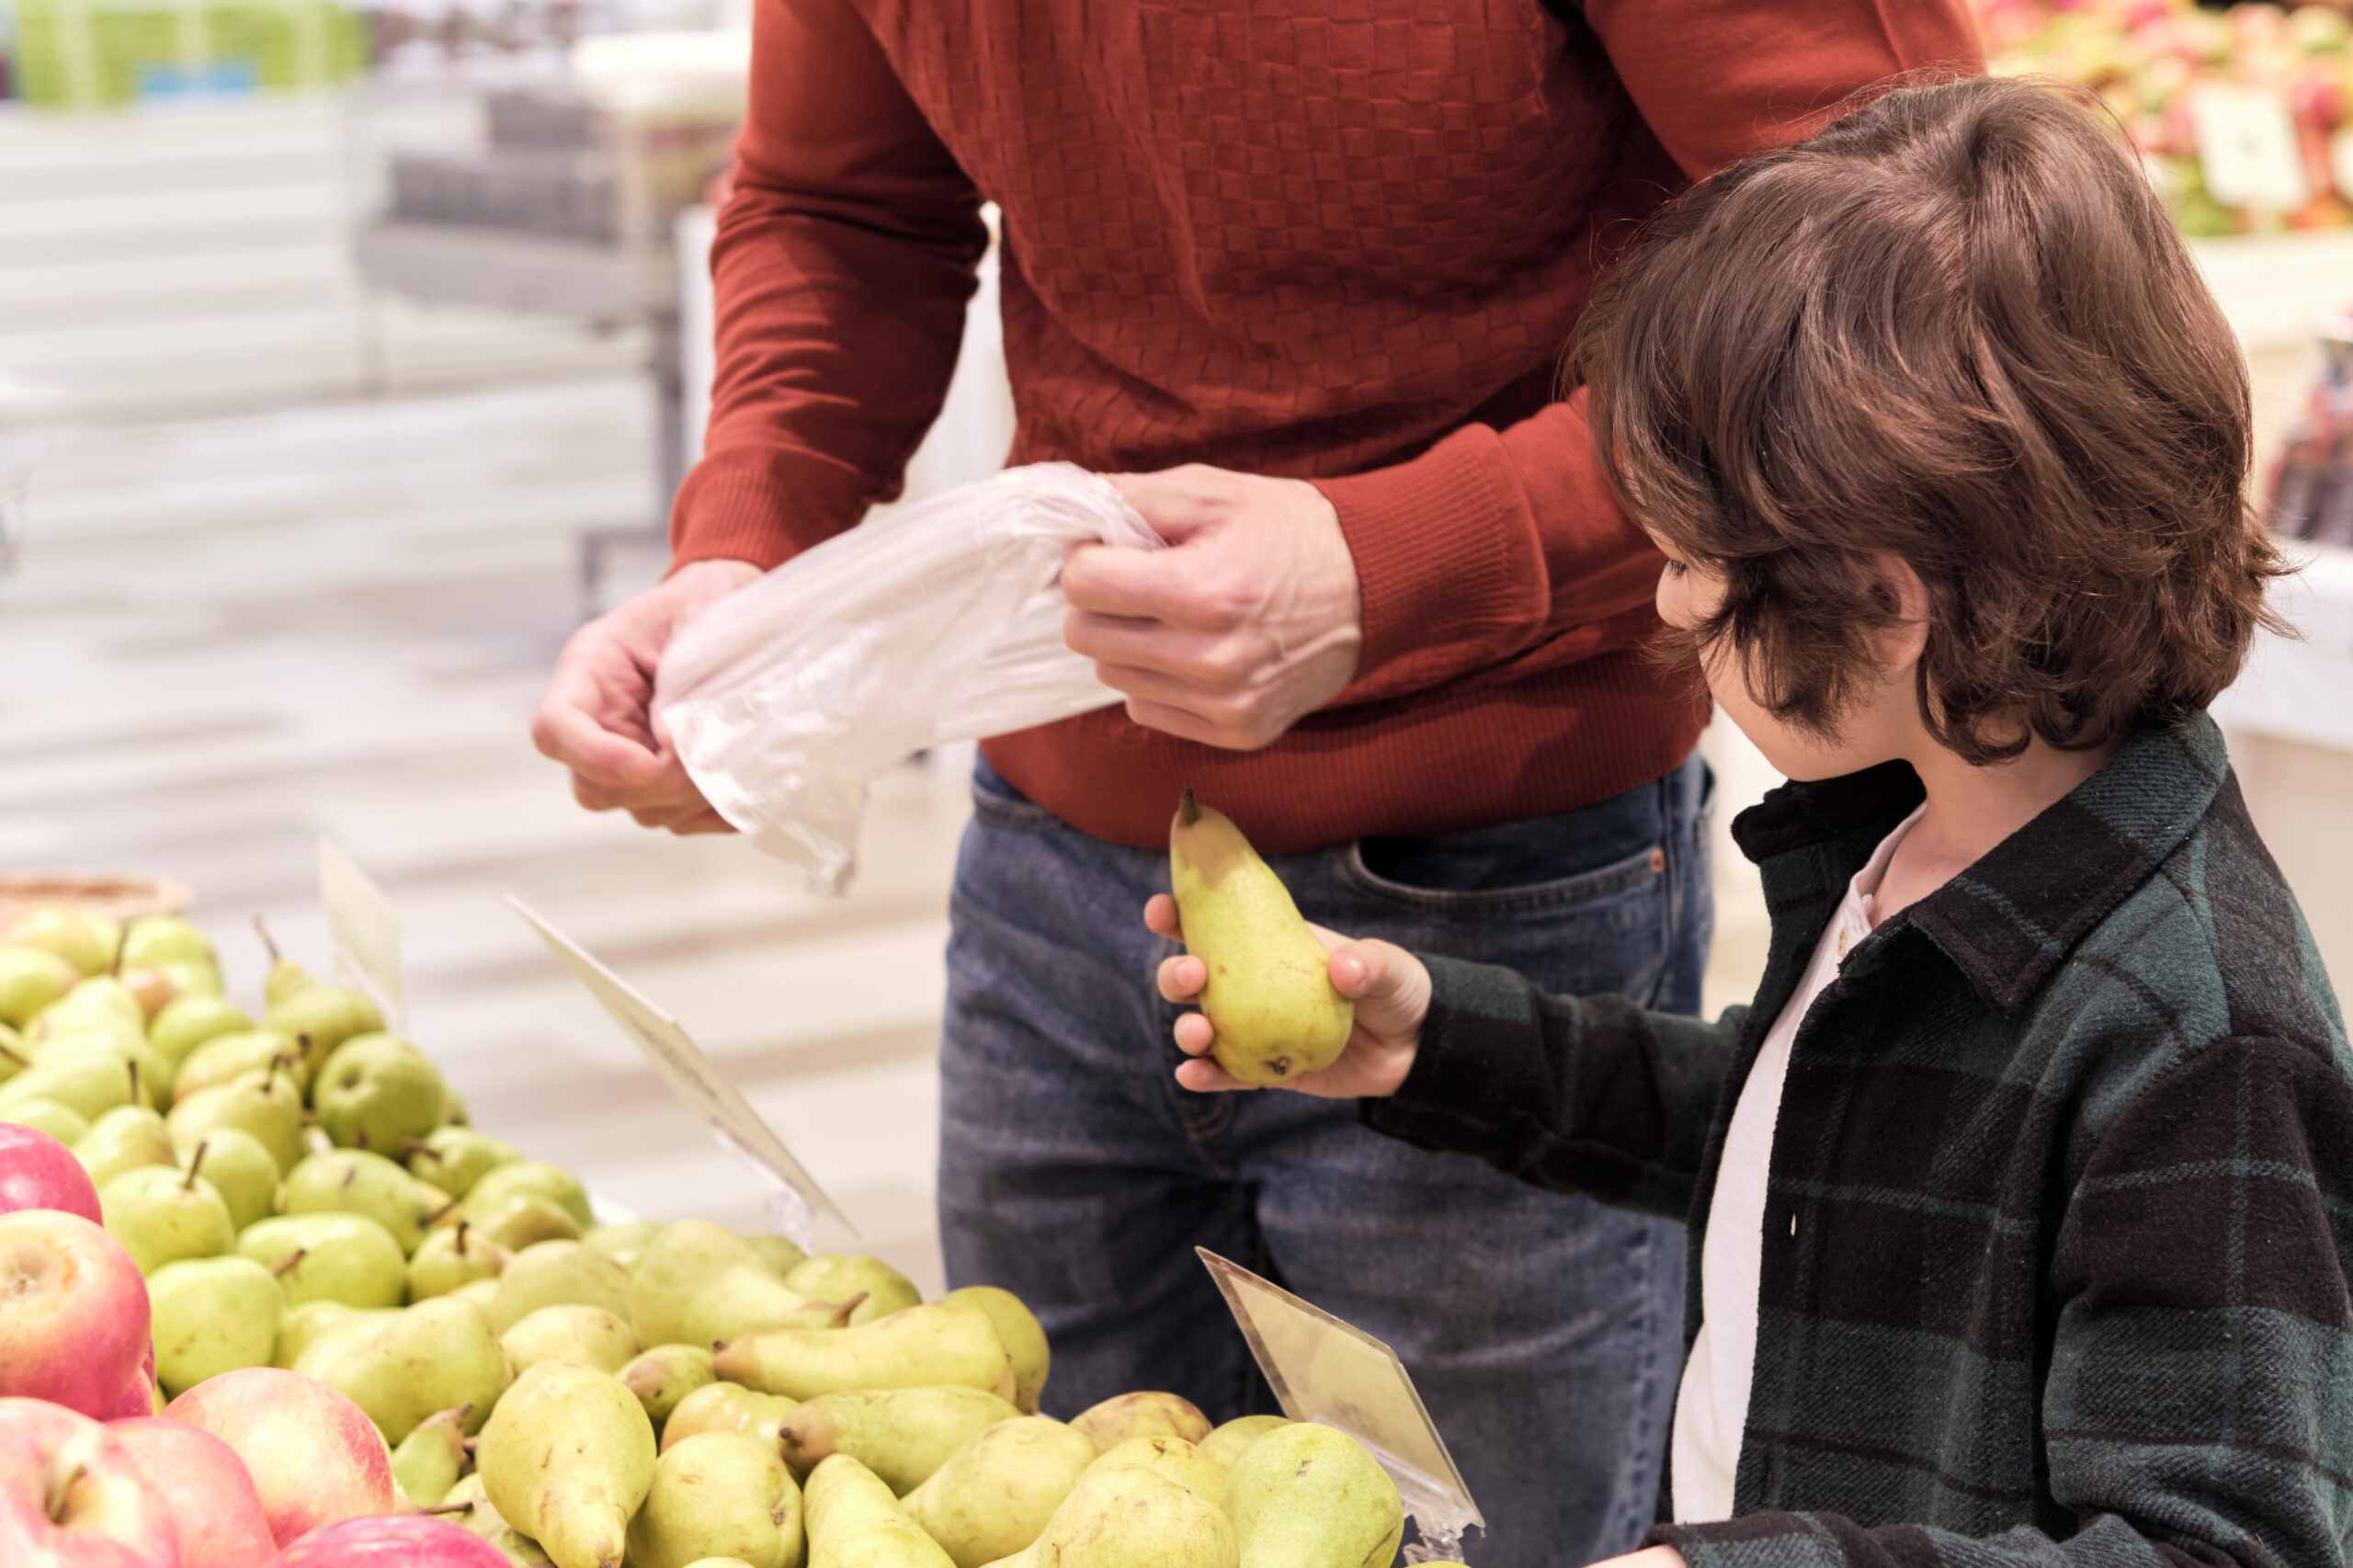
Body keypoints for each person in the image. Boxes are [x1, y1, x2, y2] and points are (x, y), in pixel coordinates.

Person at [531, 6, 1982, 1562]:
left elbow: (1908, 267)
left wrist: (1402, 563)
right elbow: (843, 204)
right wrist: (744, 550)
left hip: (1500, 883)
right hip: (1050, 862)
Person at [1153, 74, 2351, 1568]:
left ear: (1884, 596)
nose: (1664, 602)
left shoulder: (2201, 1043)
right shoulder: (1917, 830)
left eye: (1697, 567)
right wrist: (1442, 1041)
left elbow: (2230, 1546)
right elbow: (1797, 1140)